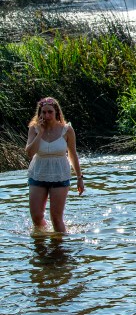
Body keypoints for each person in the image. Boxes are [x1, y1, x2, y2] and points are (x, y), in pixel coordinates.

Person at [25, 97, 84, 233]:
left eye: (50, 112)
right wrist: (40, 133)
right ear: (39, 114)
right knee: (36, 217)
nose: (46, 116)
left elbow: (73, 154)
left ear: (56, 113)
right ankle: (41, 245)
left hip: (60, 175)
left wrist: (79, 178)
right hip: (38, 174)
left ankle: (59, 249)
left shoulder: (67, 130)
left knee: (56, 218)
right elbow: (29, 153)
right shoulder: (34, 129)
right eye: (43, 112)